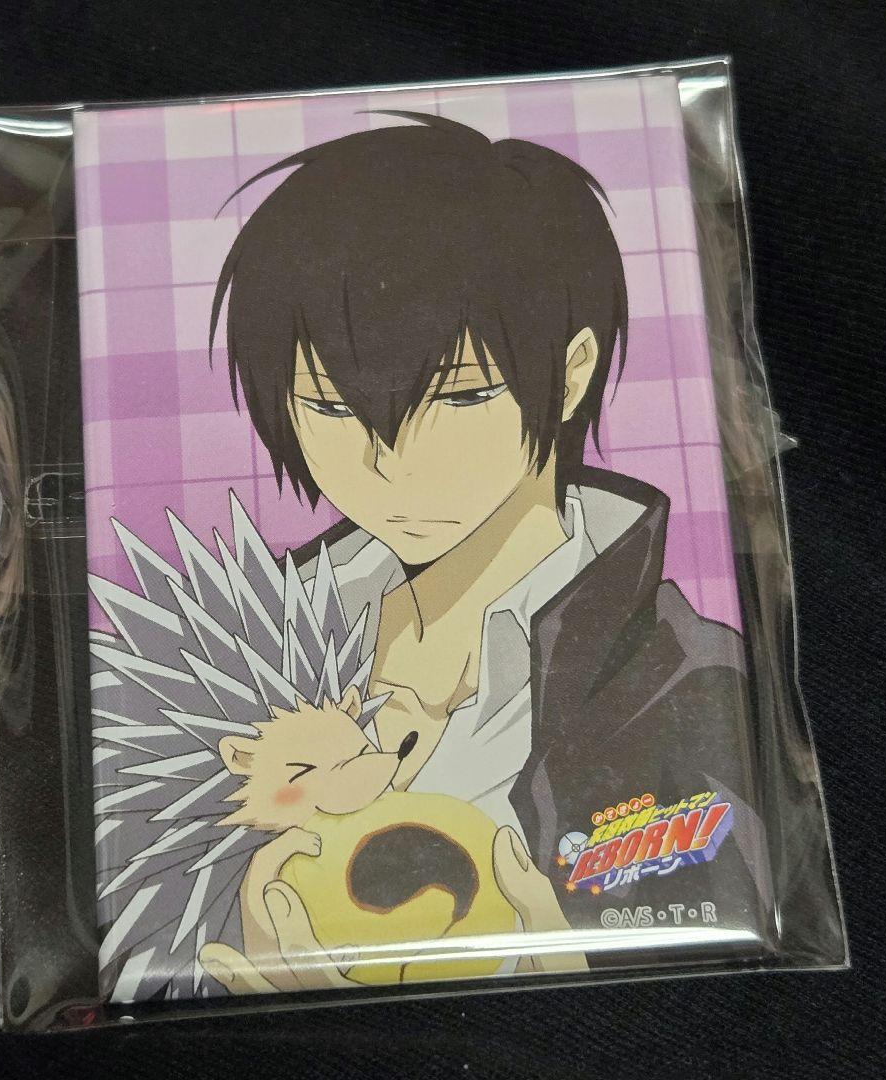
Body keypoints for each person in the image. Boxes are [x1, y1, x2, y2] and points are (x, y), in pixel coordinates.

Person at [199, 113, 767, 991]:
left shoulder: (681, 687)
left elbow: (720, 941)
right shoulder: (244, 649)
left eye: (461, 396)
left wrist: (575, 984)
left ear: (570, 372)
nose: (392, 463)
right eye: (331, 407)